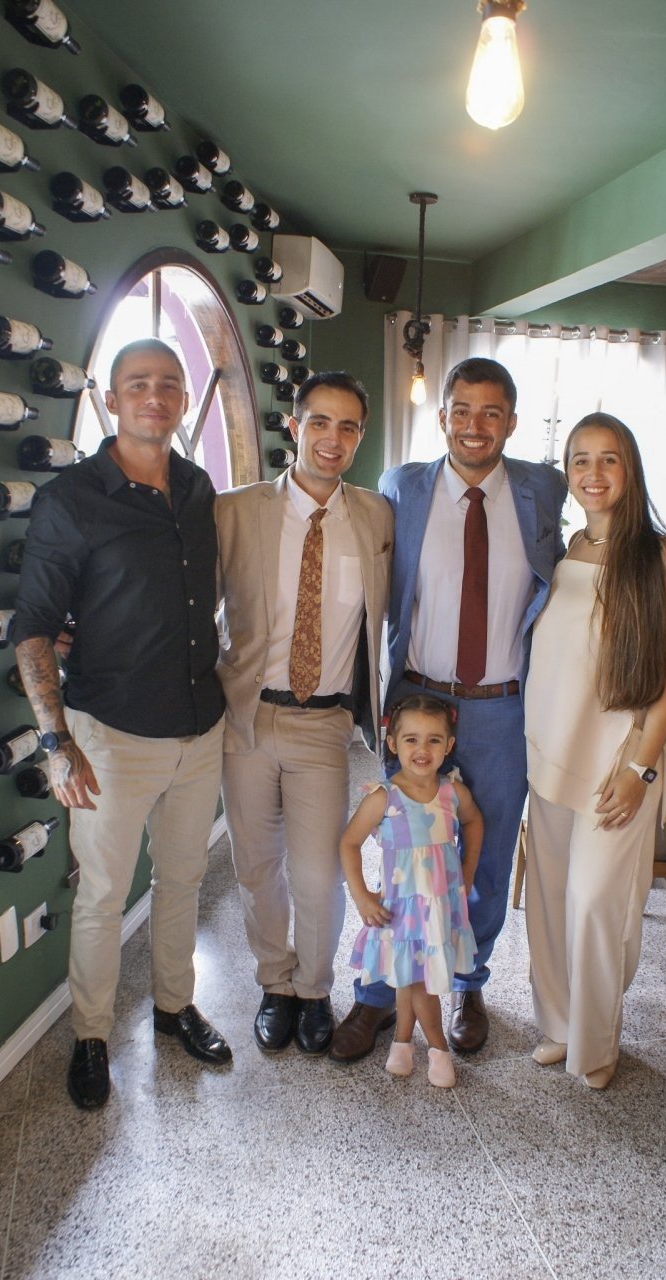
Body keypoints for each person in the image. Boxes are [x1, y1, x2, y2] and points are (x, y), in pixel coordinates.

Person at [330, 356, 567, 1063]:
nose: (475, 426)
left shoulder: (543, 488)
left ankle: (467, 983)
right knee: (405, 854)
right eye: (461, 411)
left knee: (484, 858)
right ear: (442, 418)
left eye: (491, 413)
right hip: (417, 699)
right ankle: (379, 995)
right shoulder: (401, 486)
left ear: (512, 423)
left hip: (502, 710)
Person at [14, 338, 230, 1111]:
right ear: (110, 400)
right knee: (104, 897)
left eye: (169, 383)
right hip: (110, 735)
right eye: (138, 384)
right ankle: (91, 1037)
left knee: (183, 879)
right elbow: (33, 629)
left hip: (199, 726)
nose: (154, 396)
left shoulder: (198, 488)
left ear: (182, 400)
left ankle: (175, 1007)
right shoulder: (70, 500)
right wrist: (56, 744)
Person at [216, 372, 392, 1057]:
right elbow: (189, 606)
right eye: (320, 422)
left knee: (318, 873)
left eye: (348, 427)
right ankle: (276, 984)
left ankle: (315, 989)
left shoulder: (377, 518)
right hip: (247, 718)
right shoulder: (236, 510)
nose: (332, 439)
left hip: (324, 724)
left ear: (360, 437)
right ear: (295, 426)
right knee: (257, 866)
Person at [524, 412, 666, 1089]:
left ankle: (596, 1044)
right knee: (548, 898)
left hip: (618, 760)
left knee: (596, 901)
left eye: (609, 459)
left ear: (631, 469)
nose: (593, 473)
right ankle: (559, 1024)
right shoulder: (565, 548)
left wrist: (640, 768)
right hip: (551, 747)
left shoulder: (663, 558)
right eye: (580, 460)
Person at [340, 694, 483, 1087]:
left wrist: (467, 870)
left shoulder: (452, 793)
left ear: (449, 745)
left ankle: (402, 1043)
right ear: (392, 743)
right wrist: (362, 896)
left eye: (434, 740)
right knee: (418, 981)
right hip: (400, 910)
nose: (423, 750)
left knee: (411, 976)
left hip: (439, 908)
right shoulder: (383, 797)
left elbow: (474, 823)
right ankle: (438, 1048)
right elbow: (348, 842)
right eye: (411, 740)